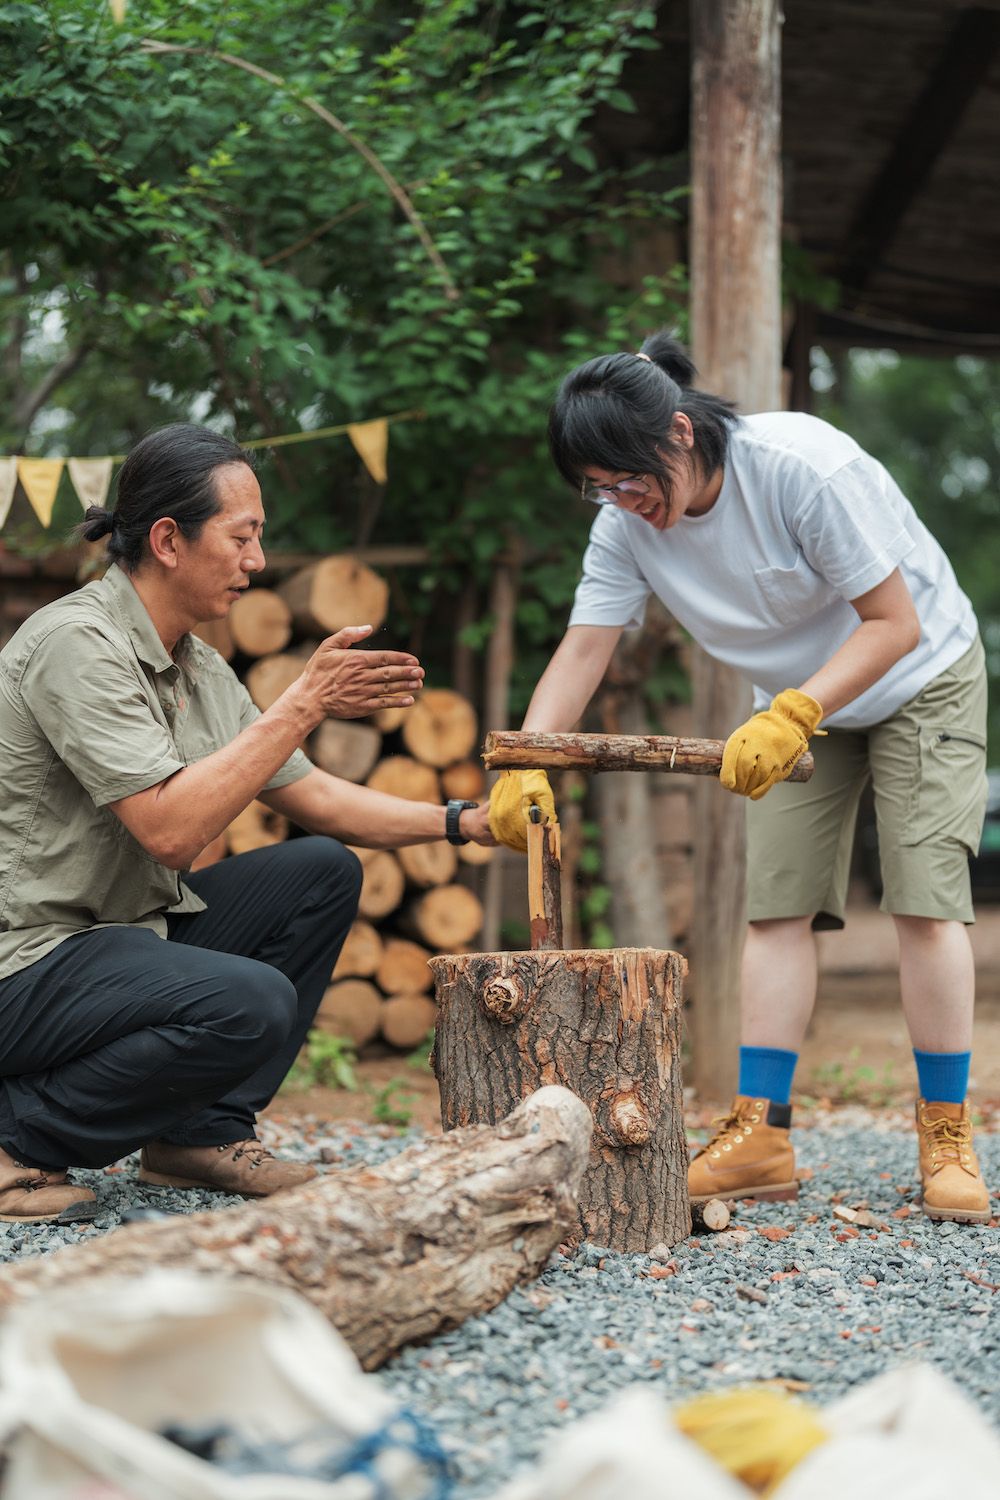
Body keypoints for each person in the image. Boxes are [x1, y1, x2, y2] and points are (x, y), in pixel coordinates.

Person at [488, 332, 990, 1225]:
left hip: (917, 674)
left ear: (679, 434)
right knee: (778, 905)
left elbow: (892, 623)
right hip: (795, 702)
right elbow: (586, 646)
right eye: (596, 487)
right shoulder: (625, 527)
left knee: (925, 896)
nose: (618, 502)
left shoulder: (802, 469)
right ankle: (762, 1135)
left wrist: (795, 711)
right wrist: (529, 757)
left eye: (628, 479)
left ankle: (947, 1132)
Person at [0, 424, 493, 1224]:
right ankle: (12, 1136)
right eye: (242, 537)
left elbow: (316, 797)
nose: (257, 561)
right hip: (24, 965)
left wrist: (464, 821)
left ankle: (197, 1137)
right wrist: (303, 702)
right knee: (249, 1003)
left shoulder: (198, 662)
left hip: (115, 945)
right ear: (168, 539)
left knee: (321, 871)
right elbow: (169, 830)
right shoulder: (76, 645)